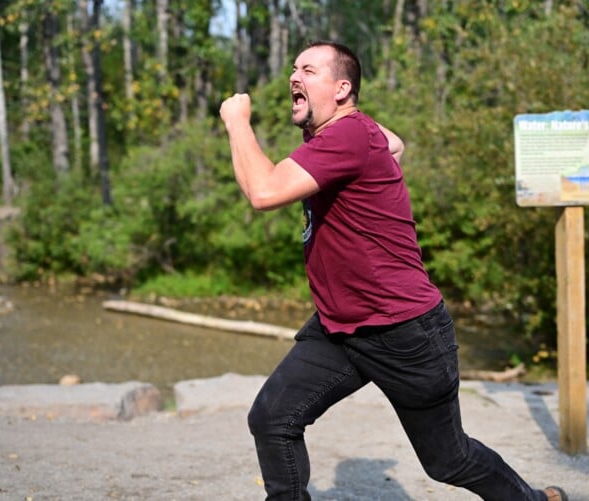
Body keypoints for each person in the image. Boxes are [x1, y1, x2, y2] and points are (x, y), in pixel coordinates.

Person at [219, 40, 567, 501]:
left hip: (405, 332)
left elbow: (262, 193)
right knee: (273, 418)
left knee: (449, 459)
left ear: (342, 89)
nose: (293, 77)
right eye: (294, 69)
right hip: (341, 326)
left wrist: (236, 121)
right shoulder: (346, 135)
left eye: (308, 69)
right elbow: (394, 144)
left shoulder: (346, 135)